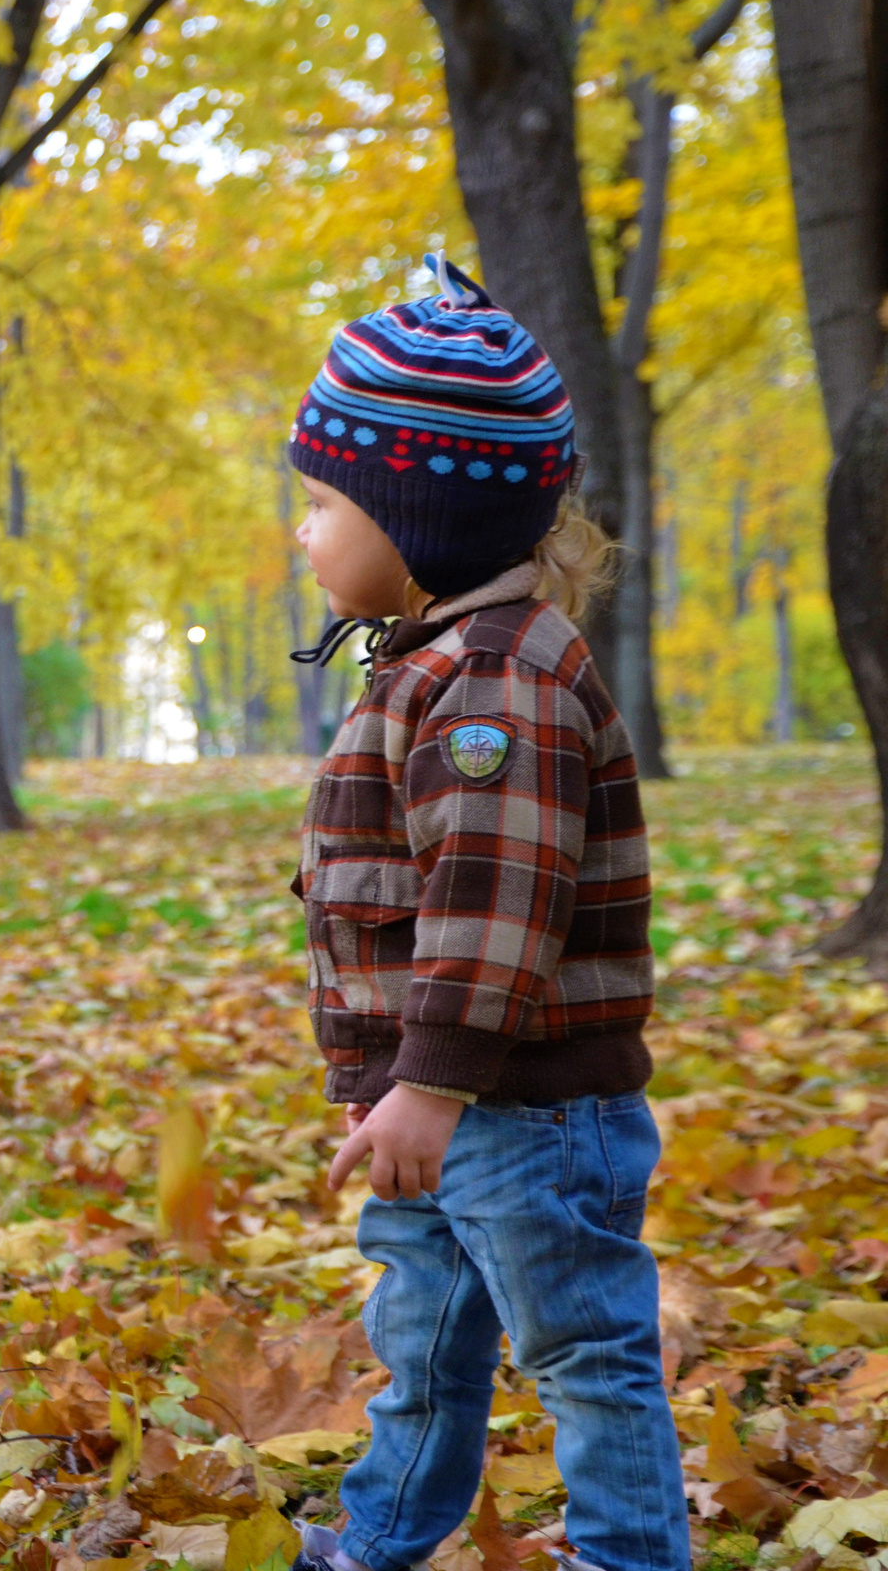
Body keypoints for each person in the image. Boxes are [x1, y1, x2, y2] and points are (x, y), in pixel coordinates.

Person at [283, 257, 680, 1571]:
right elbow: (384, 907)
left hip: (526, 1117)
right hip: (445, 1108)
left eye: (325, 504)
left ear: (421, 518)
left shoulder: (499, 687)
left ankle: (631, 1554)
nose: (303, 532)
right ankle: (381, 1539)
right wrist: (388, 1084)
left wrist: (433, 1084)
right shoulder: (436, 664)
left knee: (586, 1358)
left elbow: (493, 911)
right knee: (423, 1346)